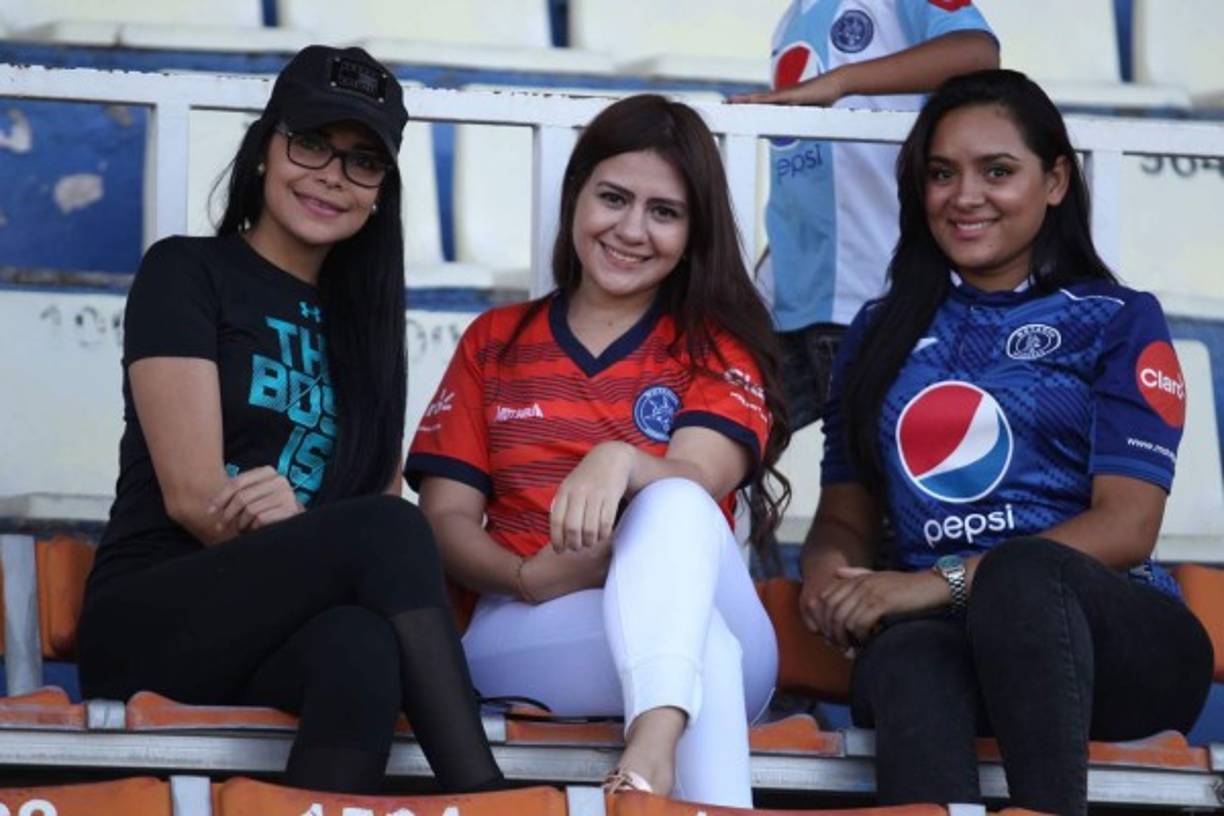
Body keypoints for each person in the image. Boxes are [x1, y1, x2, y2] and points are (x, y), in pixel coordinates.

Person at [76, 45, 503, 795]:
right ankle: (488, 796)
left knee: (361, 648)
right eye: (312, 143)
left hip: (281, 627)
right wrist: (308, 532)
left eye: (363, 162)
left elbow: (363, 501)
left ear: (382, 193)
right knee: (392, 527)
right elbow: (193, 496)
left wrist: (308, 526)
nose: (332, 177)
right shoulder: (186, 272)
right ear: (266, 147)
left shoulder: (367, 331)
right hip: (155, 611)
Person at [799, 69, 1214, 814]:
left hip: (1116, 642)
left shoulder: (1116, 318)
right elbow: (844, 515)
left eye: (997, 171)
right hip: (949, 643)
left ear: (1054, 180)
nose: (965, 196)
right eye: (941, 173)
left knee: (1023, 575)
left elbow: (1128, 524)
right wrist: (834, 577)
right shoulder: (879, 331)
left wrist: (938, 581)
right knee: (908, 654)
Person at [407, 94, 788, 808]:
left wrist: (618, 458)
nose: (632, 230)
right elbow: (443, 522)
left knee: (674, 505)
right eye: (613, 198)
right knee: (702, 647)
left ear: (692, 231)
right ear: (575, 192)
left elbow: (698, 480)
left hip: (713, 623)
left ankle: (649, 752)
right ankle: (652, 771)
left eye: (664, 212)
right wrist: (528, 578)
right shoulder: (496, 341)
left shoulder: (717, 347)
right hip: (524, 628)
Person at [732, 0, 998, 430]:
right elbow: (801, 186)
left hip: (876, 297)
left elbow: (977, 51)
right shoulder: (793, 18)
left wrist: (841, 84)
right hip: (788, 302)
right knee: (722, 445)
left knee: (875, 478)